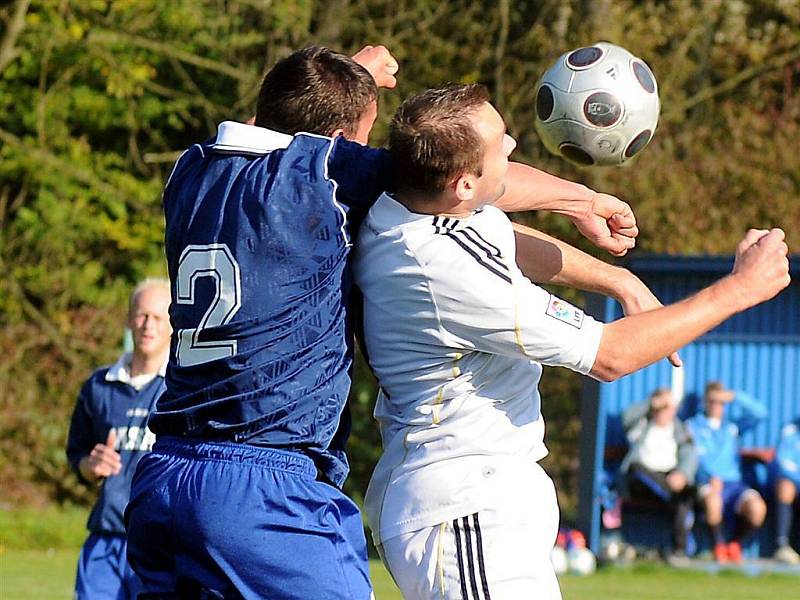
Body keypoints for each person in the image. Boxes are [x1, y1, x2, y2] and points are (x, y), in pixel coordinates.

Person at [124, 45, 652, 599]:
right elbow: (458, 177)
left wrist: (339, 85)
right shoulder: (322, 175)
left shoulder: (192, 169)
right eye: (364, 134)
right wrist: (581, 199)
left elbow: (268, 125)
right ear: (335, 142)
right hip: (263, 482)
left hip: (165, 475)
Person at [353, 83, 790, 599]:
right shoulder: (443, 268)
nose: (513, 147)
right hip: (463, 504)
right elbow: (611, 354)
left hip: (478, 493)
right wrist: (739, 290)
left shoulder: (413, 201)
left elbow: (502, 222)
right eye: (500, 144)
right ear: (462, 184)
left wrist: (612, 264)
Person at [66, 279, 171, 600]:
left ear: (173, 322)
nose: (148, 325)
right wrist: (90, 465)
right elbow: (77, 457)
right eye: (140, 315)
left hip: (162, 544)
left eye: (157, 316)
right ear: (128, 319)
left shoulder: (183, 391)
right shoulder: (99, 386)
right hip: (106, 538)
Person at [686, 381, 768, 564]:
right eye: (712, 401)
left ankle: (735, 545)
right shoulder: (692, 427)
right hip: (707, 484)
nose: (716, 405)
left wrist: (735, 396)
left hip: (733, 485)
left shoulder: (731, 427)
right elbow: (691, 458)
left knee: (757, 508)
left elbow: (761, 414)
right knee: (713, 501)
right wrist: (708, 477)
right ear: (705, 401)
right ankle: (719, 546)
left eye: (720, 401)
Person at [618, 388, 698, 563]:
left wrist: (682, 474)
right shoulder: (641, 425)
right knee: (638, 470)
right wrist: (651, 403)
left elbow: (690, 453)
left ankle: (680, 551)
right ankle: (675, 495)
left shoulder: (679, 429)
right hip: (641, 480)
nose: (664, 412)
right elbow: (626, 418)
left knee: (684, 499)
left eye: (668, 407)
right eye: (661, 408)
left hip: (668, 478)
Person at [771, 418, 800, 564]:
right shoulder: (790, 430)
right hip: (794, 481)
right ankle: (782, 545)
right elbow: (784, 463)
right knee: (785, 487)